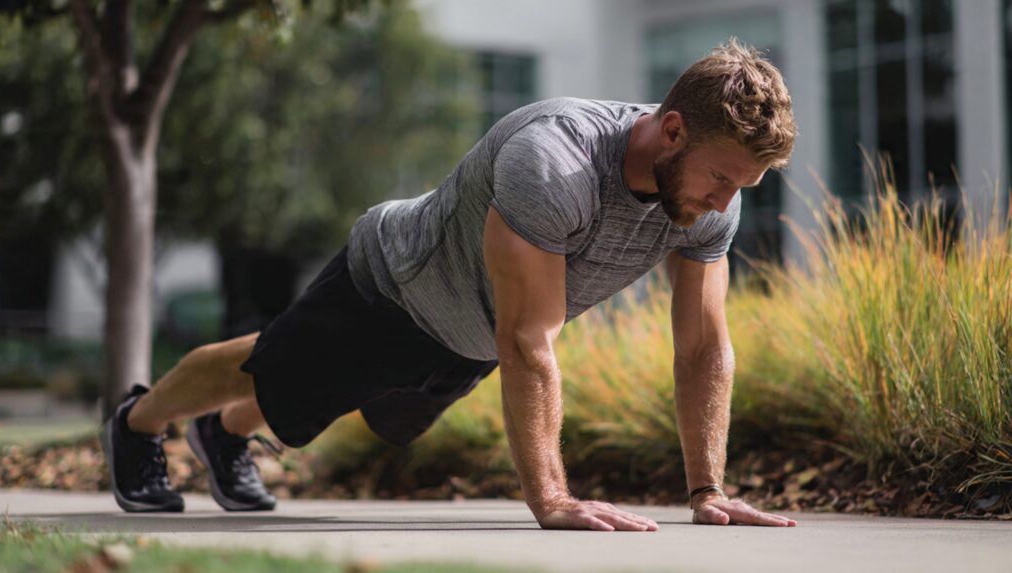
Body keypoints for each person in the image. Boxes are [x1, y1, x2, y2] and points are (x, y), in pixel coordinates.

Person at [101, 38, 799, 529]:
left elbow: (704, 346)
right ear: (672, 130)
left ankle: (223, 435)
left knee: (335, 396)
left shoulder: (711, 203)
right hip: (392, 288)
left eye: (742, 186)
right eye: (722, 178)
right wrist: (551, 498)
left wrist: (708, 488)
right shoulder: (555, 162)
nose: (726, 201)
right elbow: (529, 339)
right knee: (270, 368)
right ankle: (137, 422)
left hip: (466, 339)